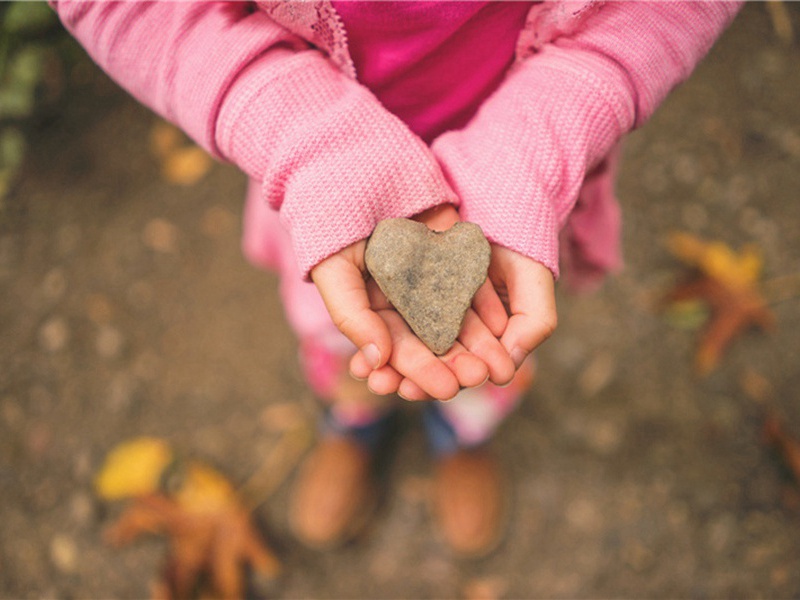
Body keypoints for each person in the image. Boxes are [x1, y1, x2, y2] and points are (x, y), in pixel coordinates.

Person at [53, 0, 742, 558]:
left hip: (520, 186)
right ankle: (354, 423)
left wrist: (559, 118)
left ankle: (463, 437)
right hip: (321, 180)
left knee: (496, 344)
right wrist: (300, 133)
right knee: (343, 328)